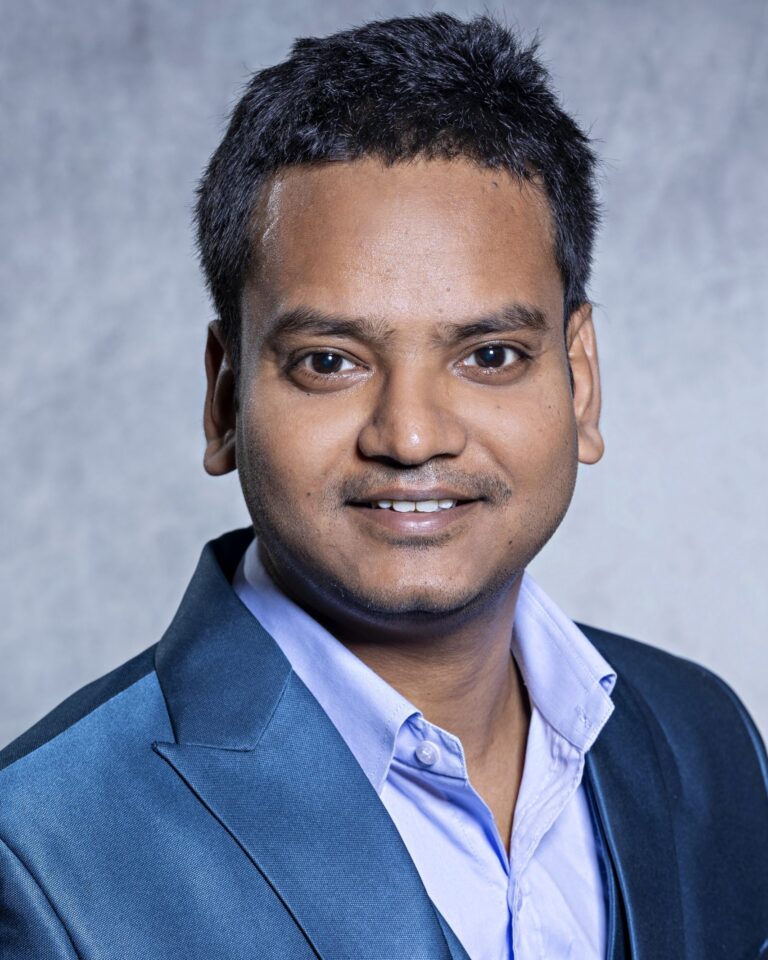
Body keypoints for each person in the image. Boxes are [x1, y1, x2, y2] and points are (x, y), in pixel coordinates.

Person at [1, 12, 765, 960]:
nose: (411, 436)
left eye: (489, 354)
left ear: (581, 381)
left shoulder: (708, 739)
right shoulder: (38, 847)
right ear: (224, 396)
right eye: (330, 361)